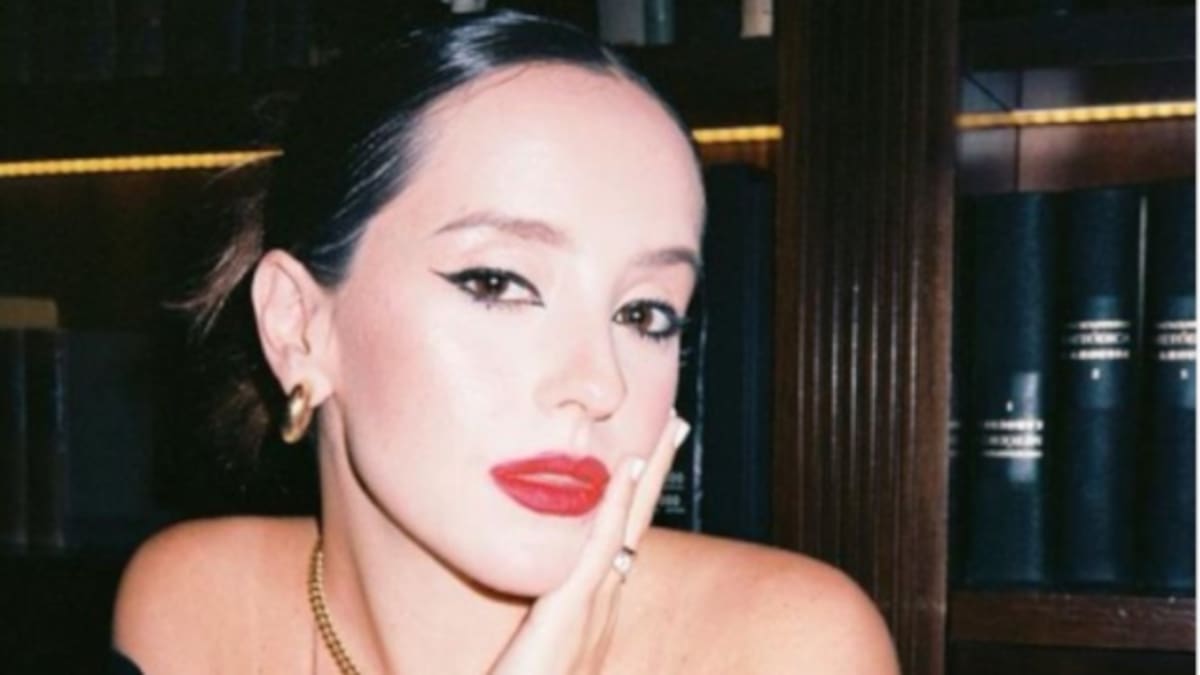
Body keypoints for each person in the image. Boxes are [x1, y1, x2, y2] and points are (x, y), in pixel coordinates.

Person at [113, 10, 898, 674]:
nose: (600, 385)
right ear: (298, 325)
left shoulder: (789, 646)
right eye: (498, 282)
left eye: (645, 314)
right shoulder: (197, 608)